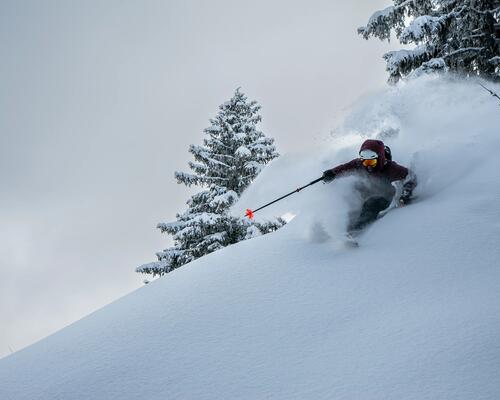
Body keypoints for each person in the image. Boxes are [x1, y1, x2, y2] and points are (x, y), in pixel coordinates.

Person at [322, 139, 417, 232]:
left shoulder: (390, 168)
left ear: (379, 159)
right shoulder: (360, 164)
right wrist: (332, 173)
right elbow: (345, 167)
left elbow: (411, 176)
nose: (368, 166)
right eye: (365, 162)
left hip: (383, 196)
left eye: (371, 162)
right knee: (351, 194)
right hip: (367, 190)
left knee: (371, 203)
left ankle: (357, 228)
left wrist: (406, 193)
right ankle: (334, 225)